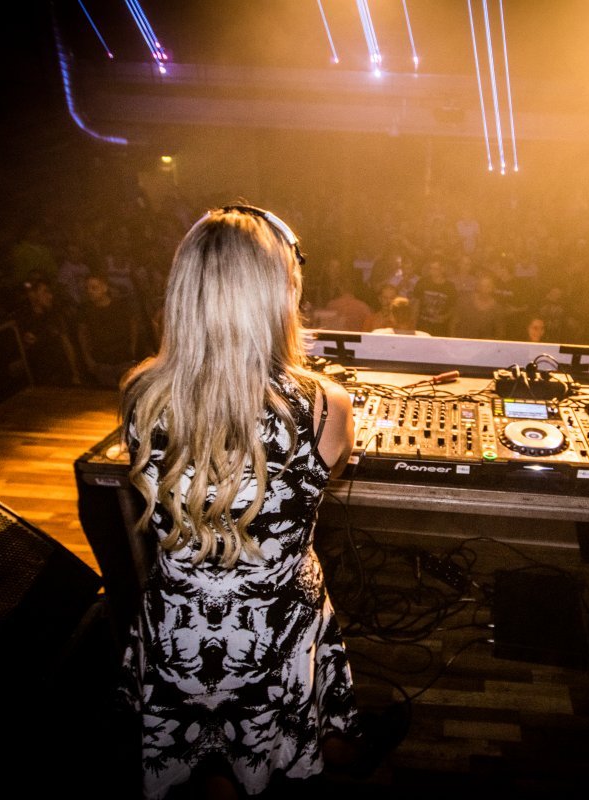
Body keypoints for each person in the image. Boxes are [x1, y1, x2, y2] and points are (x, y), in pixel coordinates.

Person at [118, 206, 374, 799]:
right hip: (276, 625)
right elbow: (330, 465)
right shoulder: (327, 404)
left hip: (178, 625)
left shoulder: (138, 392)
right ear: (281, 292)